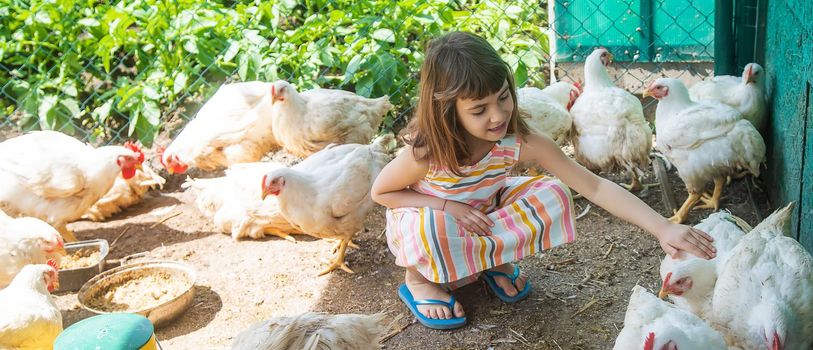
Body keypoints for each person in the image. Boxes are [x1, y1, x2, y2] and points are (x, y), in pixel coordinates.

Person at [370, 31, 716, 330]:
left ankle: (486, 261)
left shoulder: (517, 141)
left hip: (481, 214)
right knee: (434, 223)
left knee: (551, 192)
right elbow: (383, 192)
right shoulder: (430, 152)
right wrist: (446, 204)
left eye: (503, 97)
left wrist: (662, 228)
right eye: (479, 110)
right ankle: (418, 280)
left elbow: (593, 185)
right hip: (429, 217)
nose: (497, 115)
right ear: (447, 109)